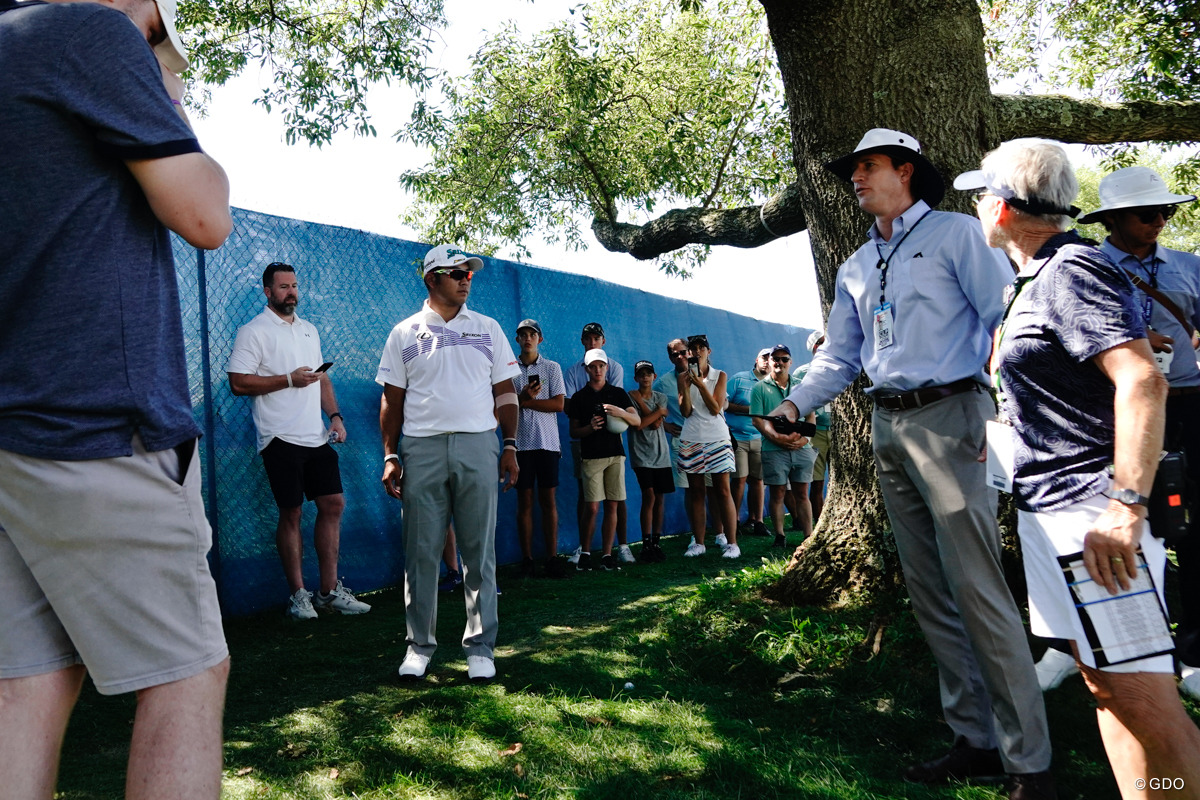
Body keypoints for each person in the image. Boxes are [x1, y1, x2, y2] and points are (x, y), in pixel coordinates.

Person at [765, 129, 1053, 799]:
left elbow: (1009, 325)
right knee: (929, 593)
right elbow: (840, 357)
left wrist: (1004, 418)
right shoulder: (857, 263)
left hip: (954, 419)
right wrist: (794, 405)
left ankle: (1031, 764)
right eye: (854, 169)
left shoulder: (959, 235)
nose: (856, 178)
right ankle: (975, 740)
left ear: (907, 171)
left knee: (978, 590)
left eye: (868, 166)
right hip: (886, 425)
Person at [0, 0, 233, 795]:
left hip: (11, 434)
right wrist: (162, 78)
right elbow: (205, 214)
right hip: (95, 420)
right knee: (184, 674)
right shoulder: (86, 33)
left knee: (25, 684)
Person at [959, 138, 1200, 800]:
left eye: (980, 196)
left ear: (1003, 207)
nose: (976, 208)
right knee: (1107, 689)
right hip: (1052, 511)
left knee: (1145, 698)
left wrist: (1125, 506)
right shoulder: (1035, 277)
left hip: (1093, 516)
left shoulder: (1070, 271)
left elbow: (1143, 380)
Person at [1074, 166, 1200, 701]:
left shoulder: (1190, 267)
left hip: (1189, 406)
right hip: (1116, 411)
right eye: (1149, 213)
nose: (1160, 221)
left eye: (1166, 211)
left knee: (1194, 530)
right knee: (1128, 526)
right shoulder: (1087, 269)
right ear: (1115, 219)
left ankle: (1193, 652)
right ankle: (1131, 648)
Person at [377, 244, 520, 683]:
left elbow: (505, 392)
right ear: (431, 279)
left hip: (479, 445)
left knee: (479, 552)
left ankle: (480, 648)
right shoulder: (404, 333)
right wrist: (390, 454)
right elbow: (392, 399)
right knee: (421, 552)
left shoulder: (489, 328)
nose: (465, 280)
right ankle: (418, 647)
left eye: (468, 274)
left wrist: (510, 445)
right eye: (456, 273)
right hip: (421, 449)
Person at [228, 262, 370, 619]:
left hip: (316, 437)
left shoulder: (309, 330)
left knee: (333, 504)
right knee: (291, 512)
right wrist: (288, 379)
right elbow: (238, 382)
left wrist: (335, 417)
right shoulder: (253, 331)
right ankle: (298, 596)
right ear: (267, 292)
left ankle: (328, 592)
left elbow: (322, 378)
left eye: (294, 286)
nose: (291, 292)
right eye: (283, 287)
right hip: (279, 436)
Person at [563, 323, 635, 564]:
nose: (592, 342)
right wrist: (589, 423)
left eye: (597, 338)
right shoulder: (573, 374)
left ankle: (618, 547)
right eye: (588, 338)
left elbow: (620, 409)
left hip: (613, 442)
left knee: (616, 499)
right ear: (582, 342)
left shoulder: (616, 368)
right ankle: (583, 549)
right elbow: (571, 408)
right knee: (588, 499)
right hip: (587, 447)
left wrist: (617, 413)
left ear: (603, 341)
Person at [511, 319, 569, 578]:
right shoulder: (509, 369)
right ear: (517, 339)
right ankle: (527, 559)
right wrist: (522, 398)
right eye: (523, 335)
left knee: (548, 501)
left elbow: (558, 405)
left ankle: (552, 558)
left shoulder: (552, 367)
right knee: (524, 502)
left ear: (540, 339)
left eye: (532, 334)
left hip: (547, 444)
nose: (527, 339)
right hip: (520, 445)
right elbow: (504, 406)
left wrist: (524, 401)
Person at [677, 334, 740, 558]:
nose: (697, 352)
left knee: (723, 490)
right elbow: (686, 412)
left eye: (701, 348)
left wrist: (700, 385)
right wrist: (686, 387)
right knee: (696, 492)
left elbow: (715, 408)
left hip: (717, 438)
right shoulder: (683, 376)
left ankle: (732, 544)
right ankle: (699, 543)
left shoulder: (720, 375)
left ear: (708, 351)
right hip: (692, 437)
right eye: (693, 349)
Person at [752, 345, 816, 549]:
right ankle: (780, 536)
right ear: (769, 362)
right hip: (773, 449)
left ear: (790, 362)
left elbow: (811, 416)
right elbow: (757, 420)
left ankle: (808, 536)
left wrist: (804, 440)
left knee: (802, 493)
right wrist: (777, 439)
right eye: (775, 359)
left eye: (784, 359)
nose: (779, 362)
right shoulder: (759, 388)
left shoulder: (801, 386)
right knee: (777, 493)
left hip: (801, 448)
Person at [628, 359, 674, 562]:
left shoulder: (660, 397)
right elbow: (639, 425)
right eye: (641, 374)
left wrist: (643, 405)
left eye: (648, 374)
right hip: (641, 456)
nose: (645, 377)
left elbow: (655, 424)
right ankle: (646, 544)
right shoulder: (630, 398)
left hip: (661, 455)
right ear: (636, 378)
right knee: (649, 496)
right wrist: (655, 412)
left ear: (654, 377)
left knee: (659, 498)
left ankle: (656, 542)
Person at [727, 348, 770, 536]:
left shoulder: (772, 383)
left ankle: (757, 521)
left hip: (761, 438)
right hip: (738, 438)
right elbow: (723, 404)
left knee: (758, 480)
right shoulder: (739, 379)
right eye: (764, 358)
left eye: (771, 358)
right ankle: (733, 520)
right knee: (739, 480)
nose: (767, 361)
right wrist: (751, 410)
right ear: (756, 360)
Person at [793, 331, 833, 523]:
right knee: (817, 482)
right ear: (814, 347)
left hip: (839, 433)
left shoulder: (838, 369)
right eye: (820, 342)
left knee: (842, 480)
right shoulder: (802, 372)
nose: (825, 344)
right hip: (816, 433)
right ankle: (818, 523)